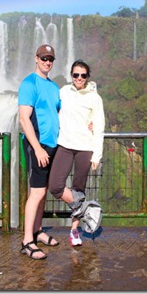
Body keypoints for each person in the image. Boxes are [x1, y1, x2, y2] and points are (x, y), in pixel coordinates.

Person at [48, 59, 105, 246]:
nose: (79, 78)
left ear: (88, 77)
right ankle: (84, 207)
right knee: (55, 185)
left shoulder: (95, 98)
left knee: (78, 188)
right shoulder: (63, 92)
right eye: (75, 75)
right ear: (71, 75)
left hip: (84, 148)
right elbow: (53, 111)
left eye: (83, 75)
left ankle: (74, 231)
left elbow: (98, 127)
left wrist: (97, 155)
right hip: (64, 145)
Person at [18, 44, 61, 260]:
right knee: (36, 192)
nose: (47, 62)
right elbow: (24, 118)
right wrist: (37, 149)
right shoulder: (29, 83)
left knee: (43, 192)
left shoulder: (53, 87)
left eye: (50, 59)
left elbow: (59, 113)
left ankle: (38, 230)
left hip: (52, 145)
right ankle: (27, 241)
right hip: (38, 146)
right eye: (44, 58)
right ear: (36, 58)